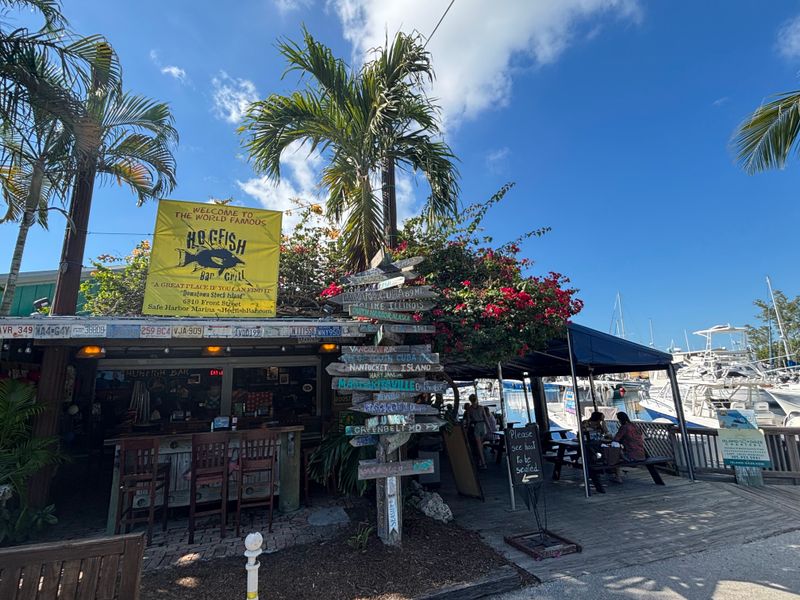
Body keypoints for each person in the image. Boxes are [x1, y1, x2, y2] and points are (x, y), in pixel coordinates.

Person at [612, 412, 646, 482]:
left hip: (631, 456)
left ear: (620, 419)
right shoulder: (635, 426)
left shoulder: (624, 427)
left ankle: (617, 477)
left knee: (614, 455)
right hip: (642, 454)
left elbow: (616, 439)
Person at [464, 394, 490, 469]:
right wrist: (489, 428)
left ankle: (483, 463)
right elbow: (485, 418)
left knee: (479, 446)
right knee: (480, 445)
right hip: (483, 426)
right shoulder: (481, 408)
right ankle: (480, 461)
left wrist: (467, 429)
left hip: (476, 426)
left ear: (470, 400)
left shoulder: (469, 409)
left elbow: (468, 421)